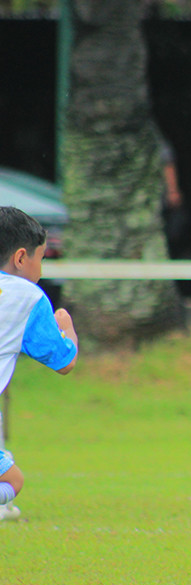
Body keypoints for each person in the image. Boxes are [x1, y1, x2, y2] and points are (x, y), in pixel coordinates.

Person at [0, 207, 79, 520]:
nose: (41, 270)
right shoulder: (26, 295)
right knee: (12, 480)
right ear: (21, 258)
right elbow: (64, 361)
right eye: (41, 258)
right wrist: (67, 329)